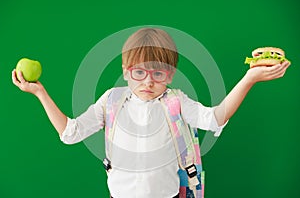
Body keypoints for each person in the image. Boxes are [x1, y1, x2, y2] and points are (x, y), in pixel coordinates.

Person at [11, 28, 290, 198]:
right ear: (125, 71)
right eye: (139, 72)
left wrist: (248, 79)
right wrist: (40, 93)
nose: (148, 81)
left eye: (158, 72)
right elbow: (70, 133)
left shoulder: (176, 101)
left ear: (170, 75)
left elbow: (215, 118)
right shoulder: (112, 100)